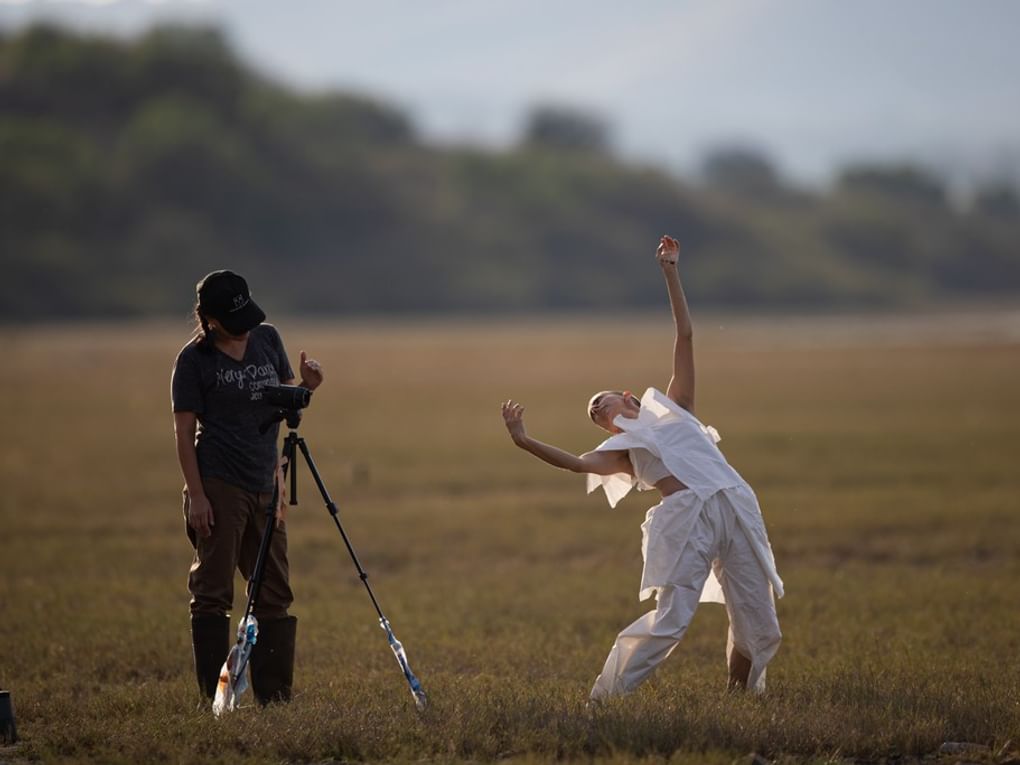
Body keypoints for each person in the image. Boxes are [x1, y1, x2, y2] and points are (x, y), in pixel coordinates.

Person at [501, 235, 783, 701]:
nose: (596, 410)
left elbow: (685, 337)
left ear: (628, 396)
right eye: (593, 415)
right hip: (688, 518)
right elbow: (575, 464)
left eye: (600, 401)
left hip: (735, 503)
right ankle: (605, 699)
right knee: (671, 621)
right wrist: (524, 440)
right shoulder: (624, 449)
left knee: (758, 618)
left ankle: (741, 699)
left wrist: (670, 272)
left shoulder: (678, 408)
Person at [171, 270, 324, 705]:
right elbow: (183, 433)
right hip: (219, 482)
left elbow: (279, 399)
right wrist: (197, 496)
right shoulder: (193, 361)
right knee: (213, 593)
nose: (245, 332)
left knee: (274, 593)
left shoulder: (266, 338)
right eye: (234, 324)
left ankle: (274, 699)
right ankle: (214, 700)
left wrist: (306, 388)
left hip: (265, 480)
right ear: (211, 320)